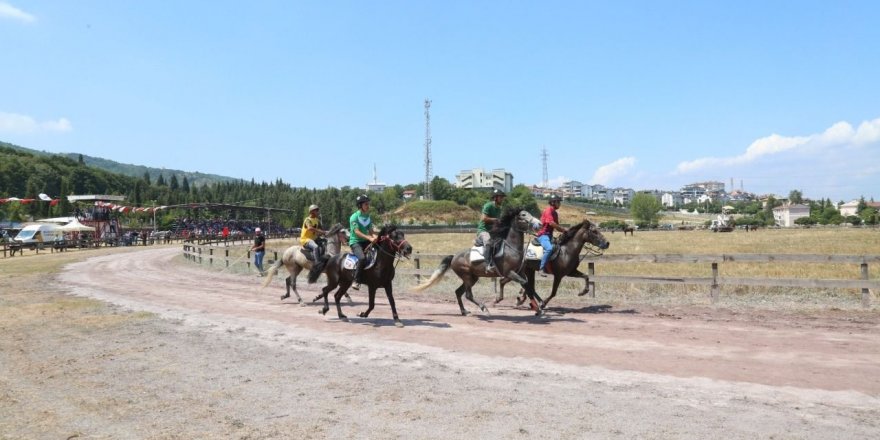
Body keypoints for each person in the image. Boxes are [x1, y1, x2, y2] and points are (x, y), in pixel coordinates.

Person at [349, 194, 377, 290]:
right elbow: (356, 232)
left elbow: (371, 231)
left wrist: (375, 237)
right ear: (360, 205)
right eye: (366, 204)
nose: (368, 206)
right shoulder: (354, 217)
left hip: (365, 241)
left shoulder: (368, 216)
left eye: (368, 204)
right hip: (355, 242)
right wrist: (369, 238)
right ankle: (356, 281)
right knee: (362, 258)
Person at [475, 188, 506, 273]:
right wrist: (496, 220)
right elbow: (484, 218)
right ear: (495, 198)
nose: (502, 199)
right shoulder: (488, 205)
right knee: (488, 242)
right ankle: (488, 265)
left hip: (493, 231)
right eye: (501, 197)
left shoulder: (499, 209)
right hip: (483, 230)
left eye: (502, 197)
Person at [537, 195, 568, 276]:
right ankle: (541, 268)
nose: (560, 204)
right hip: (543, 235)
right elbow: (552, 223)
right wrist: (563, 229)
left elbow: (557, 226)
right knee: (549, 249)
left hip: (549, 236)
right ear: (553, 202)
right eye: (558, 202)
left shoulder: (555, 213)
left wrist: (565, 231)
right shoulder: (548, 210)